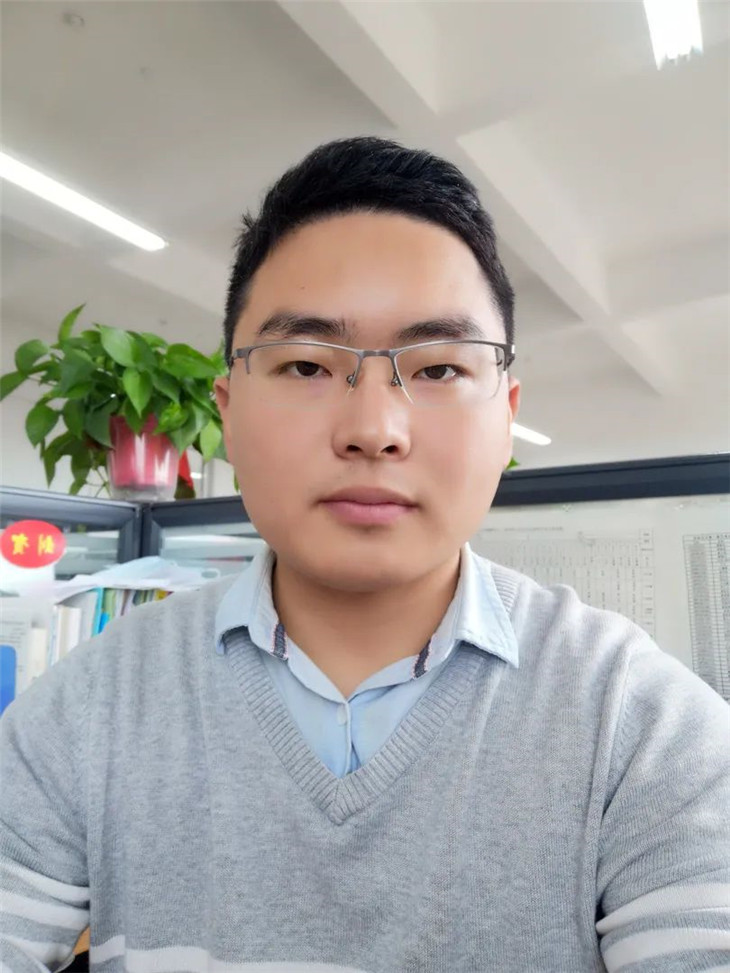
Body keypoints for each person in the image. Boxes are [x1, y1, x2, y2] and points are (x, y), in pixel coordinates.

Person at [1, 137, 728, 973]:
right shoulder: (92, 705)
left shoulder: (640, 725)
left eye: (440, 368)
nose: (374, 429)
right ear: (227, 413)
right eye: (307, 364)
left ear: (506, 417)